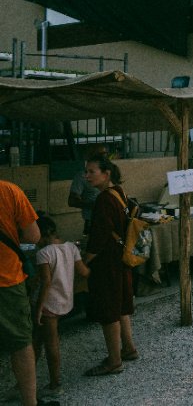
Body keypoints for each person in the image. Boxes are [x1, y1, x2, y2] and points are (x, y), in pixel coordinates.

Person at [82, 156, 139, 376]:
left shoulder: (104, 199)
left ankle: (114, 360)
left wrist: (86, 259)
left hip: (107, 261)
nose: (87, 176)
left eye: (91, 171)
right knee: (122, 303)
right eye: (86, 171)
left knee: (108, 309)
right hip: (121, 256)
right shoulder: (120, 192)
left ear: (106, 174)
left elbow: (99, 235)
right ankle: (128, 348)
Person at [33, 216, 90, 398]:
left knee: (49, 343)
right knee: (37, 341)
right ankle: (25, 380)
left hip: (49, 304)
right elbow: (84, 272)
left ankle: (55, 384)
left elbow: (46, 283)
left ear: (39, 235)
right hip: (65, 301)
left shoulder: (43, 253)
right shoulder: (71, 247)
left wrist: (38, 309)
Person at [0, 180, 40, 406]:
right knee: (20, 343)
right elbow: (33, 236)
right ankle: (29, 402)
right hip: (8, 280)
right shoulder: (10, 191)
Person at [67, 145, 108, 238]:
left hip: (109, 220)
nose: (104, 157)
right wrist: (94, 205)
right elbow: (72, 201)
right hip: (92, 222)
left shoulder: (108, 173)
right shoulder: (82, 176)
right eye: (101, 155)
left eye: (105, 154)